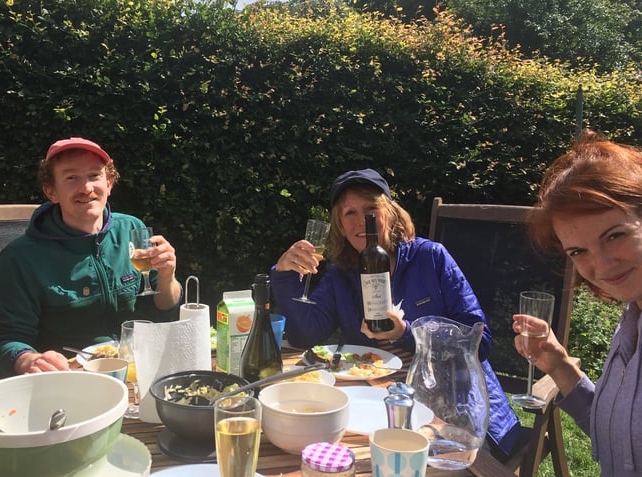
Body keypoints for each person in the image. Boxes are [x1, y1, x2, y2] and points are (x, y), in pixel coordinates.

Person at [271, 168, 521, 458]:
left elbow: (479, 341)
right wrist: (285, 275)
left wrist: (407, 334)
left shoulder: (431, 258)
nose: (361, 220)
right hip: (381, 403)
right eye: (349, 213)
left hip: (457, 411)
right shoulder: (342, 274)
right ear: (340, 225)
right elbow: (306, 334)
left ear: (390, 213)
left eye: (370, 208)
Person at [0, 137, 182, 378]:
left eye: (94, 175)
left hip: (139, 368)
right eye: (71, 178)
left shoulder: (132, 229)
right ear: (51, 191)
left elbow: (164, 307)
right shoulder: (21, 257)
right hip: (71, 377)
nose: (86, 188)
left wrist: (167, 276)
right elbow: (6, 339)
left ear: (109, 184)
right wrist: (29, 359)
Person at [514, 130, 642, 476]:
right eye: (578, 251)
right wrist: (559, 366)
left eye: (615, 235)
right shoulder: (632, 318)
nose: (601, 265)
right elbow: (621, 438)